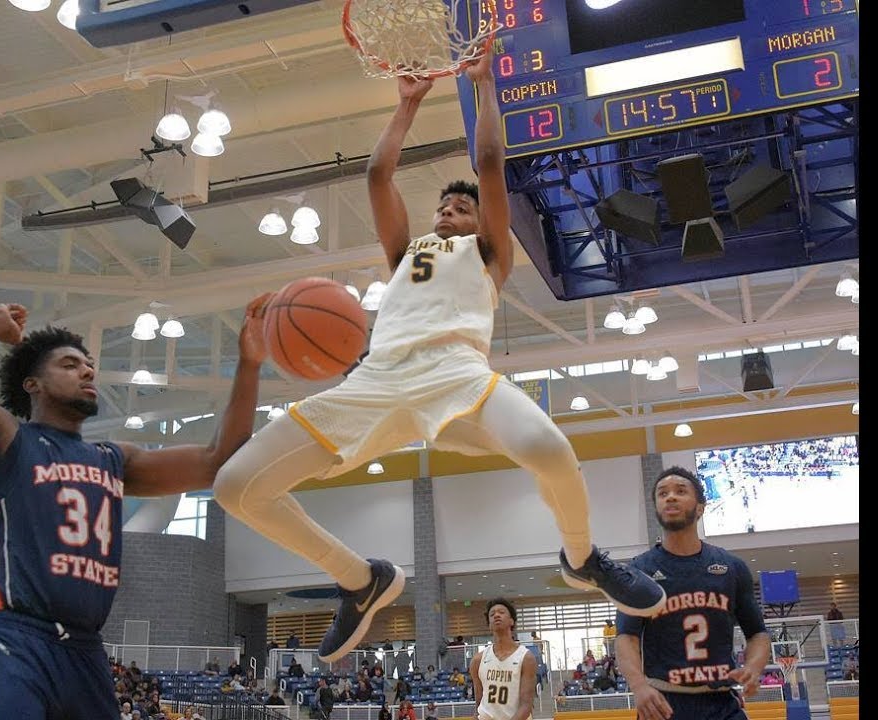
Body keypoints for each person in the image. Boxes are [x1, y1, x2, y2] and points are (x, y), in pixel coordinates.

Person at [211, 45, 665, 665]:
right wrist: (406, 105)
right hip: (374, 381)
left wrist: (480, 86)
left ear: (480, 222)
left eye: (461, 207)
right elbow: (377, 176)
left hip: (458, 376)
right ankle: (359, 578)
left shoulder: (487, 254)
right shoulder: (406, 254)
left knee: (549, 450)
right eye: (444, 206)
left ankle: (582, 558)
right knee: (236, 487)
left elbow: (489, 162)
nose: (449, 211)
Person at [0, 297, 269, 720]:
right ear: (33, 383)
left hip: (84, 651)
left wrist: (248, 365)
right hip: (9, 640)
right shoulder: (4, 437)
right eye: (69, 364)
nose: (87, 370)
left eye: (88, 365)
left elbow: (220, 460)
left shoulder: (113, 459)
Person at [616, 467, 772, 720]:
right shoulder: (639, 570)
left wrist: (753, 667)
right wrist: (638, 685)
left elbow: (758, 634)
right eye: (662, 493)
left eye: (680, 491)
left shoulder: (732, 567)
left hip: (721, 701)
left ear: (700, 507)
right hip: (663, 703)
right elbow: (626, 638)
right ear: (656, 509)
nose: (670, 497)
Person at [470, 599, 537, 720]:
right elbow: (479, 704)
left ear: (512, 621)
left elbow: (526, 706)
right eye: (492, 614)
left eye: (501, 612)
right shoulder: (478, 660)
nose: (496, 615)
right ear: (489, 624)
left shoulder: (526, 658)